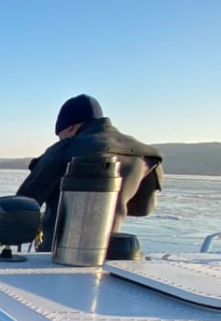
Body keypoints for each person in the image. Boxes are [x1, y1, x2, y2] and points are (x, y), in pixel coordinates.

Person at [17, 94, 163, 251]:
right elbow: (143, 208)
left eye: (60, 135)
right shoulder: (146, 155)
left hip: (58, 253)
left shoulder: (67, 148)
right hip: (111, 254)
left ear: (70, 127)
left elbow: (21, 205)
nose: (60, 139)